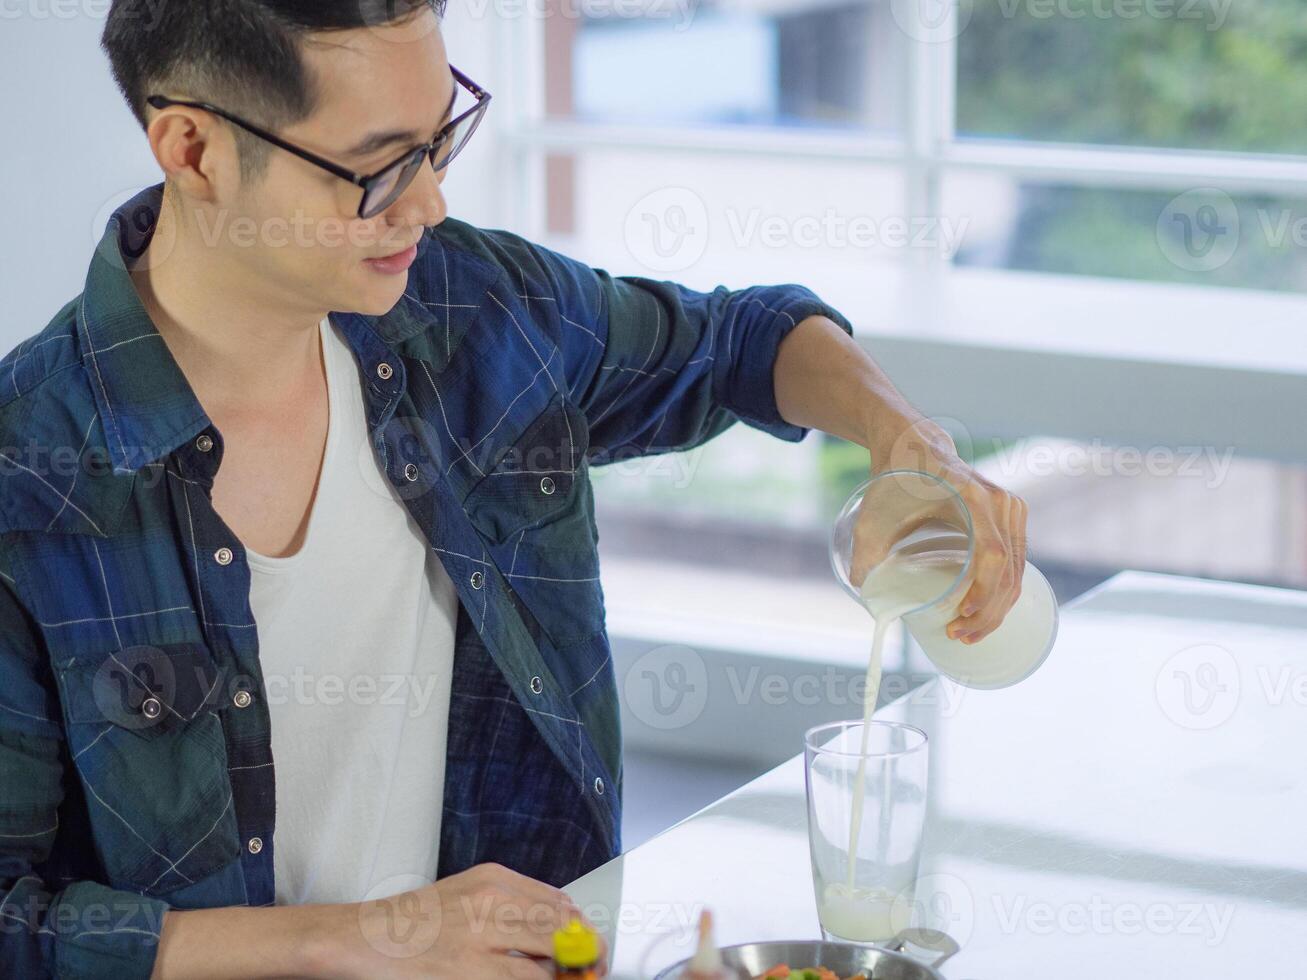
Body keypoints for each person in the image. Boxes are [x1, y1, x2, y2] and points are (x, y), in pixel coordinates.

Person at [0, 1, 1029, 977]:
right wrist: (352, 939)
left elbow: (742, 342)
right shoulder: (29, 474)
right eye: (376, 167)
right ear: (193, 149)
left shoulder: (475, 311)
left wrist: (907, 439)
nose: (429, 201)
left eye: (440, 137)